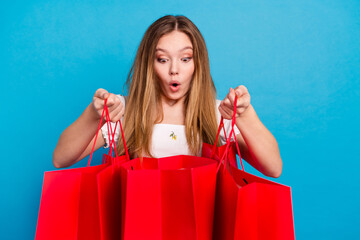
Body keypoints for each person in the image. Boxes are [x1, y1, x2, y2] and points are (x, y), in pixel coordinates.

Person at [53, 15, 282, 178]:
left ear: (198, 64)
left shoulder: (216, 114)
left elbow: (273, 168)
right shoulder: (125, 111)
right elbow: (61, 159)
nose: (175, 69)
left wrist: (246, 115)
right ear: (148, 65)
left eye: (185, 59)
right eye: (162, 59)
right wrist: (94, 115)